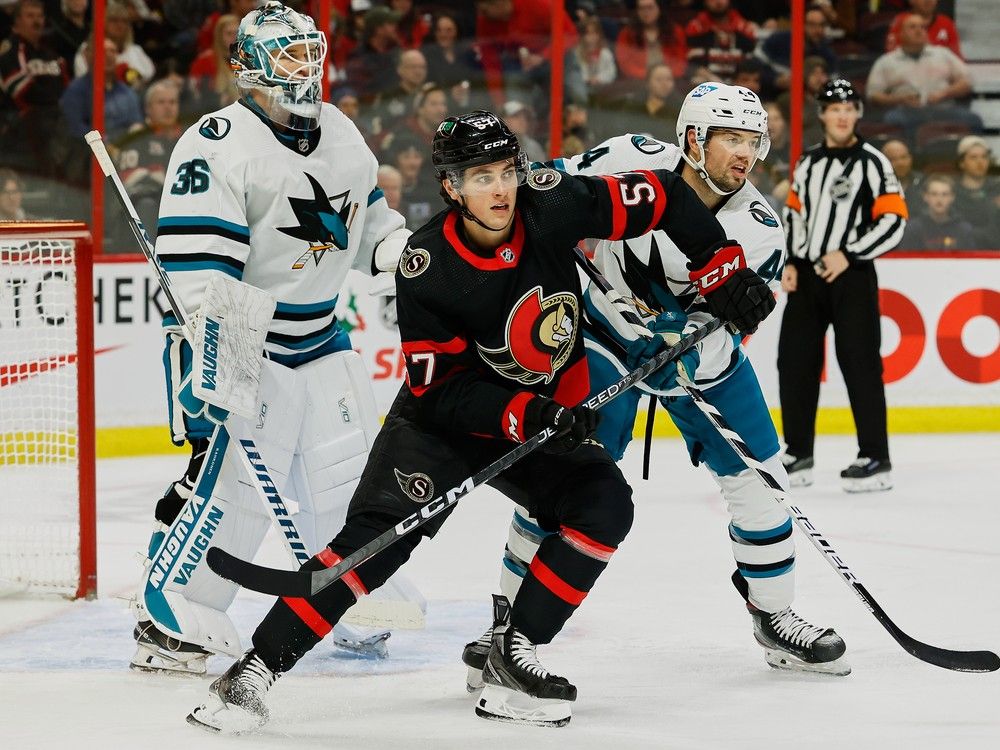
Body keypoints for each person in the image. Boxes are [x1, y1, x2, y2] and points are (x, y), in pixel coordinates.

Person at [185, 108, 774, 732]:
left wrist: (721, 263)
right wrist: (529, 412)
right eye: (480, 177)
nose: (499, 189)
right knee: (370, 550)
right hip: (445, 427)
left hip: (538, 416)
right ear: (451, 187)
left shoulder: (554, 202)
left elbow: (666, 197)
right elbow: (442, 395)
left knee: (605, 505)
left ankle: (513, 652)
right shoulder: (427, 265)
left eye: (506, 171)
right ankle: (250, 674)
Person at [462, 83, 848, 695]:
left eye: (753, 141)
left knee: (763, 480)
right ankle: (507, 621)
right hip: (604, 343)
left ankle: (772, 612)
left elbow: (729, 331)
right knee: (564, 479)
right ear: (693, 137)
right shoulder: (628, 159)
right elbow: (546, 195)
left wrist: (688, 342)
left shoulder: (760, 228)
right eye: (731, 139)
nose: (744, 154)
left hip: (697, 364)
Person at [130, 1, 416, 676]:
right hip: (245, 342)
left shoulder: (341, 130)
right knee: (237, 492)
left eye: (310, 51)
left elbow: (373, 225)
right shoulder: (215, 141)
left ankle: (344, 597)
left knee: (350, 478)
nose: (307, 66)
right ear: (248, 67)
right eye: (289, 55)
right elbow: (200, 276)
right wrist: (227, 369)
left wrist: (407, 262)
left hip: (321, 338)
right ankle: (171, 611)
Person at [779, 80, 908, 492]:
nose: (841, 115)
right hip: (808, 276)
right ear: (821, 114)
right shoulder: (808, 162)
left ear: (857, 114)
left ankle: (876, 457)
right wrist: (793, 260)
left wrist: (849, 253)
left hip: (851, 277)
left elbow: (894, 219)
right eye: (833, 108)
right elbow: (794, 214)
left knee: (861, 365)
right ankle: (798, 454)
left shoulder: (873, 162)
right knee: (794, 363)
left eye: (849, 108)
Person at [866, 13, 980, 141]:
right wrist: (898, 99)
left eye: (922, 27)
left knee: (973, 120)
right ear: (901, 34)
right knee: (892, 120)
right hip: (905, 111)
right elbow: (873, 94)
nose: (919, 30)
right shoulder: (886, 62)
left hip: (943, 109)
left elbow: (968, 81)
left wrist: (944, 93)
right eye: (913, 27)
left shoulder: (943, 54)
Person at [899, 173, 978, 250]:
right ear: (925, 196)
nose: (939, 199)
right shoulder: (913, 229)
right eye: (934, 194)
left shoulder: (964, 230)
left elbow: (969, 260)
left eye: (945, 194)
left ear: (952, 197)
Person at [685, 0, 755, 84]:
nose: (718, 2)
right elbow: (689, 63)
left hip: (738, 85)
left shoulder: (745, 28)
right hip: (707, 83)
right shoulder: (695, 28)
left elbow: (751, 63)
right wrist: (710, 77)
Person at [952, 135, 1000, 247]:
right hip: (960, 250)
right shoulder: (950, 191)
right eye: (973, 157)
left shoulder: (998, 188)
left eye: (984, 157)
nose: (980, 162)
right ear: (961, 163)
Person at [886, 0, 961, 58]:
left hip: (940, 74)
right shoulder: (901, 21)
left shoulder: (947, 23)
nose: (928, 0)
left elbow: (957, 58)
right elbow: (891, 56)